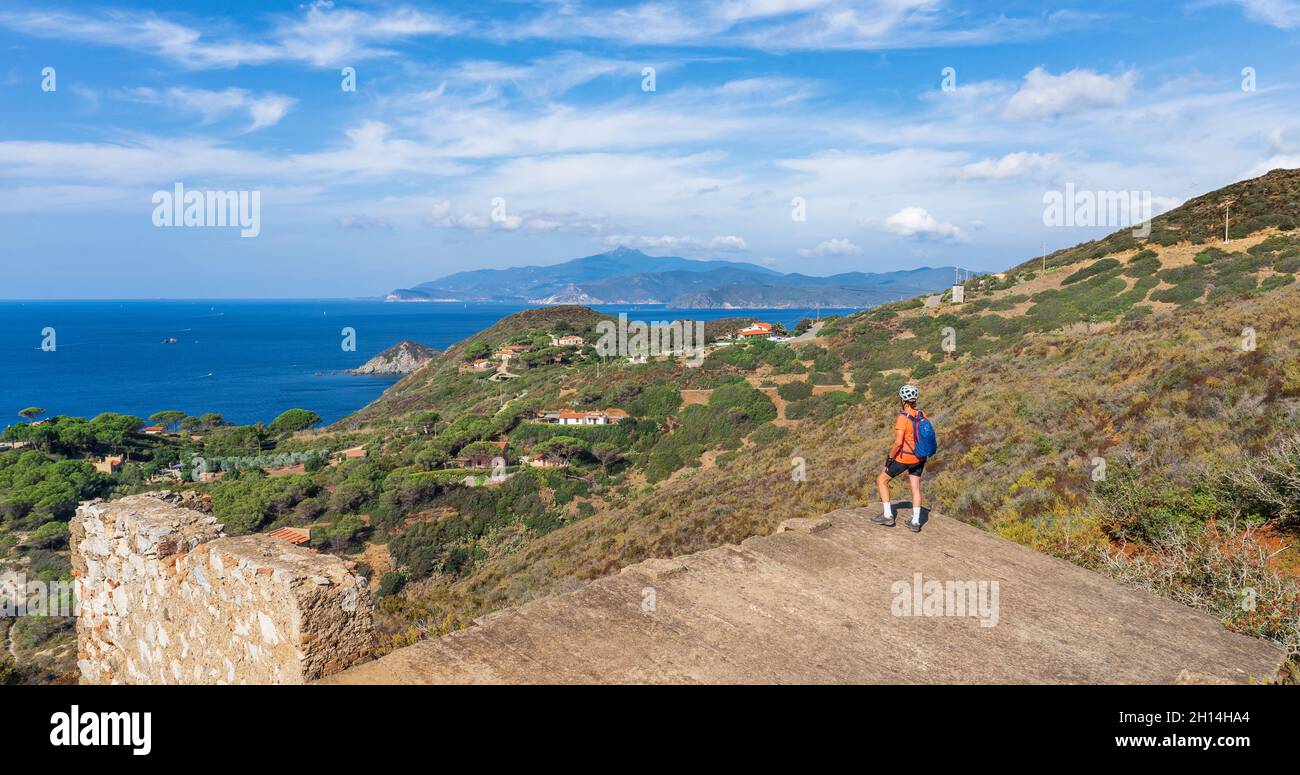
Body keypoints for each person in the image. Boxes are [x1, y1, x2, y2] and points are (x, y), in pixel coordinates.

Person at [871, 384, 929, 532]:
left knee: (881, 480)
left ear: (902, 400)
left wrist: (889, 458)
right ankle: (915, 522)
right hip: (920, 457)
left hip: (905, 458)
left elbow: (898, 443)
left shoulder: (902, 418)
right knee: (915, 488)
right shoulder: (921, 414)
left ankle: (888, 515)